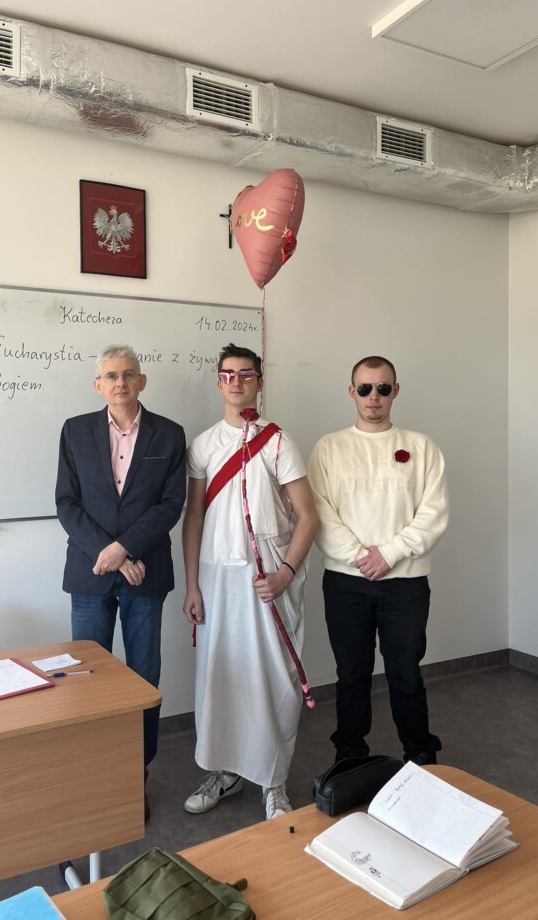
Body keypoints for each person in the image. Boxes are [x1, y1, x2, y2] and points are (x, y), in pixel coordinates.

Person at [182, 343, 319, 820]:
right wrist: (192, 585)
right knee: (221, 676)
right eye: (227, 374)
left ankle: (273, 781)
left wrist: (285, 574)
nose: (236, 382)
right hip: (216, 577)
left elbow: (308, 517)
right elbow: (194, 517)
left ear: (259, 381)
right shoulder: (202, 445)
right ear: (218, 381)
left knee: (272, 678)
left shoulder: (279, 442)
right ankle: (224, 771)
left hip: (267, 578)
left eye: (245, 374)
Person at [56, 343, 186, 807]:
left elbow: (171, 504)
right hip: (91, 572)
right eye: (111, 376)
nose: (120, 383)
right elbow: (66, 503)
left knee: (143, 677)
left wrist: (125, 548)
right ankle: (94, 774)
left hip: (145, 574)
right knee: (87, 677)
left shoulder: (169, 434)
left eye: (128, 374)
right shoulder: (75, 431)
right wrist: (111, 552)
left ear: (142, 381)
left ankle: (136, 777)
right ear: (98, 385)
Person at [307, 356, 448, 765]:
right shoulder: (329, 448)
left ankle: (420, 756)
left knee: (406, 672)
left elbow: (433, 513)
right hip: (345, 582)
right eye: (365, 388)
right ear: (352, 392)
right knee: (351, 675)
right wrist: (359, 557)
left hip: (405, 583)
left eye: (383, 388)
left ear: (395, 391)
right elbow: (318, 511)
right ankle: (350, 756)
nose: (374, 397)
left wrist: (388, 554)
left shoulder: (422, 447)